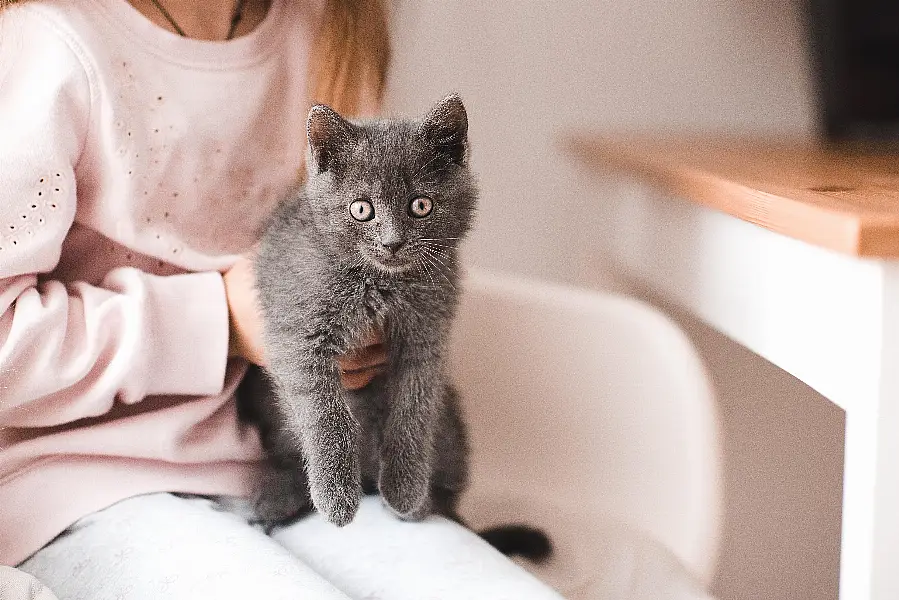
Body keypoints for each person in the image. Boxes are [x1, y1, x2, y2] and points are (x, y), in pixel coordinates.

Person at [0, 1, 565, 598]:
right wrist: (221, 321)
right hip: (83, 486)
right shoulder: (50, 46)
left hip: (288, 476)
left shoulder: (323, 28)